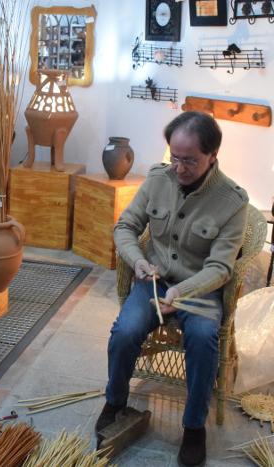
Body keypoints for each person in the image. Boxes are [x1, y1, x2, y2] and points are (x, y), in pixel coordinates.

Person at [96, 111, 248, 467]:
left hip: (200, 290)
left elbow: (221, 267)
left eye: (190, 161)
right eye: (174, 157)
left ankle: (194, 427)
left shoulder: (233, 201)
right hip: (154, 280)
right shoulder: (157, 178)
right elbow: (125, 227)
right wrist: (138, 261)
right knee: (124, 332)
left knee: (203, 338)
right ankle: (115, 401)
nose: (179, 168)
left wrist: (183, 293)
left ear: (212, 155)